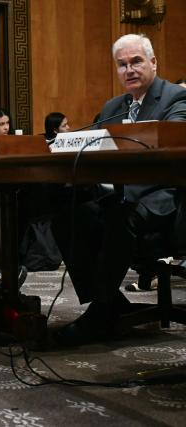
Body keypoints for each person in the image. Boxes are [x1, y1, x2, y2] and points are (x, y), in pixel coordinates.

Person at [52, 34, 186, 346]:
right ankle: (109, 300)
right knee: (68, 213)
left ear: (153, 62)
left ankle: (101, 313)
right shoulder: (113, 106)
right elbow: (94, 146)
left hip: (168, 196)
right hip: (122, 196)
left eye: (136, 61)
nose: (129, 70)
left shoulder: (175, 99)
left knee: (119, 215)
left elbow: (168, 146)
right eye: (122, 65)